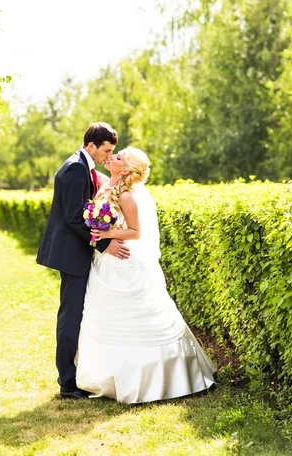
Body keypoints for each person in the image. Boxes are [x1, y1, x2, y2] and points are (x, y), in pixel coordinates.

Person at [76, 147, 216, 404]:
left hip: (124, 262)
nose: (112, 157)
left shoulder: (127, 195)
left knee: (134, 318)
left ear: (126, 169)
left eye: (118, 157)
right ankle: (106, 376)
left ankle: (150, 379)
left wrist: (107, 235)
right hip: (104, 263)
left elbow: (135, 232)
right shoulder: (105, 186)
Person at [36, 122, 131, 399]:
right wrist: (105, 242)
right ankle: (67, 381)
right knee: (70, 315)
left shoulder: (82, 165)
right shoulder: (76, 168)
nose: (107, 156)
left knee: (75, 313)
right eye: (106, 150)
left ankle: (73, 373)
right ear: (91, 146)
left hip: (75, 250)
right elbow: (75, 216)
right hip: (71, 253)